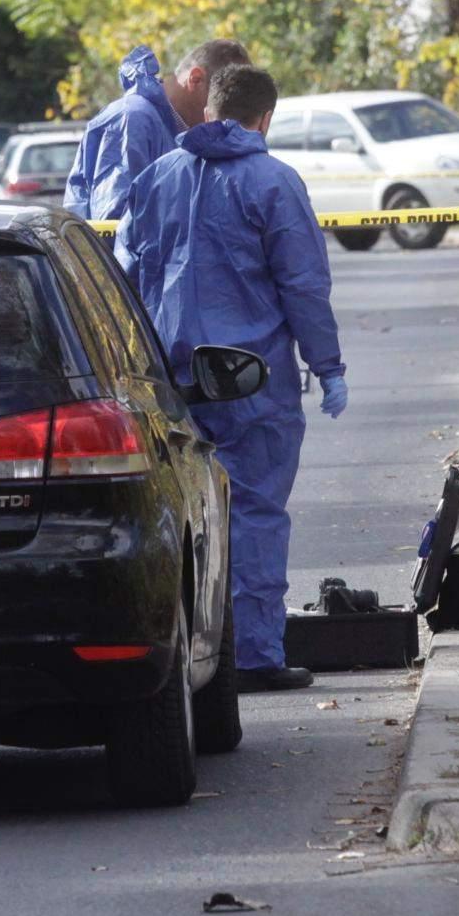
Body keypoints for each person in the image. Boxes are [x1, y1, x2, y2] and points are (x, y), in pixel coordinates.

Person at [120, 64, 346, 692]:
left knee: (180, 518)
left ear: (209, 107)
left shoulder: (159, 177)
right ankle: (253, 656)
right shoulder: (273, 182)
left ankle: (188, 652)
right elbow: (302, 285)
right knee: (254, 514)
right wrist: (327, 366)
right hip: (251, 383)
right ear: (265, 117)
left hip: (173, 381)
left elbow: (131, 279)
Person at [66, 38, 252, 222]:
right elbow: (114, 224)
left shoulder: (177, 131)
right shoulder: (133, 119)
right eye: (225, 101)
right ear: (195, 79)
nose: (229, 118)